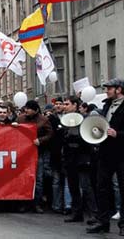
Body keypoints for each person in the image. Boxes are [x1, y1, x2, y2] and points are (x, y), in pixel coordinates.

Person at [87, 78, 124, 234]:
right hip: (106, 153)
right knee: (102, 187)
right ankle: (103, 222)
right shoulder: (107, 105)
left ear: (119, 90)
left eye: (109, 88)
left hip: (122, 154)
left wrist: (119, 134)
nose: (106, 91)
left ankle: (123, 225)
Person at [60, 96, 97, 224]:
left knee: (86, 186)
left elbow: (88, 138)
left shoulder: (84, 120)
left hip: (82, 157)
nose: (65, 106)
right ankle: (77, 213)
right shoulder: (64, 120)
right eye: (64, 104)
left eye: (67, 104)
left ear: (75, 105)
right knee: (73, 186)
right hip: (70, 157)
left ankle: (94, 214)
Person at [17, 100, 53, 214]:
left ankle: (37, 204)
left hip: (38, 154)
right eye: (25, 108)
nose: (26, 110)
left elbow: (50, 134)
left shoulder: (43, 120)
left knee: (38, 180)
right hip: (24, 154)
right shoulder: (20, 119)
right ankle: (24, 203)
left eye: (29, 108)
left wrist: (40, 140)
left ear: (36, 110)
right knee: (24, 179)